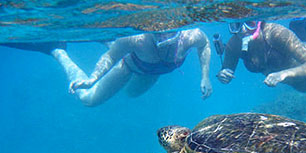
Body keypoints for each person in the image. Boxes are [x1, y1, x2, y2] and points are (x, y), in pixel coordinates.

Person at [3, 29, 213, 106]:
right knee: (88, 99)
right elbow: (111, 56)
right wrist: (92, 79)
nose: (164, 37)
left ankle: (104, 37)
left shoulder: (191, 37)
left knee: (132, 95)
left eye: (169, 32)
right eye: (158, 32)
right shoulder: (137, 40)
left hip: (153, 72)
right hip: (130, 67)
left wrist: (205, 77)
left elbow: (204, 45)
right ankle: (57, 51)